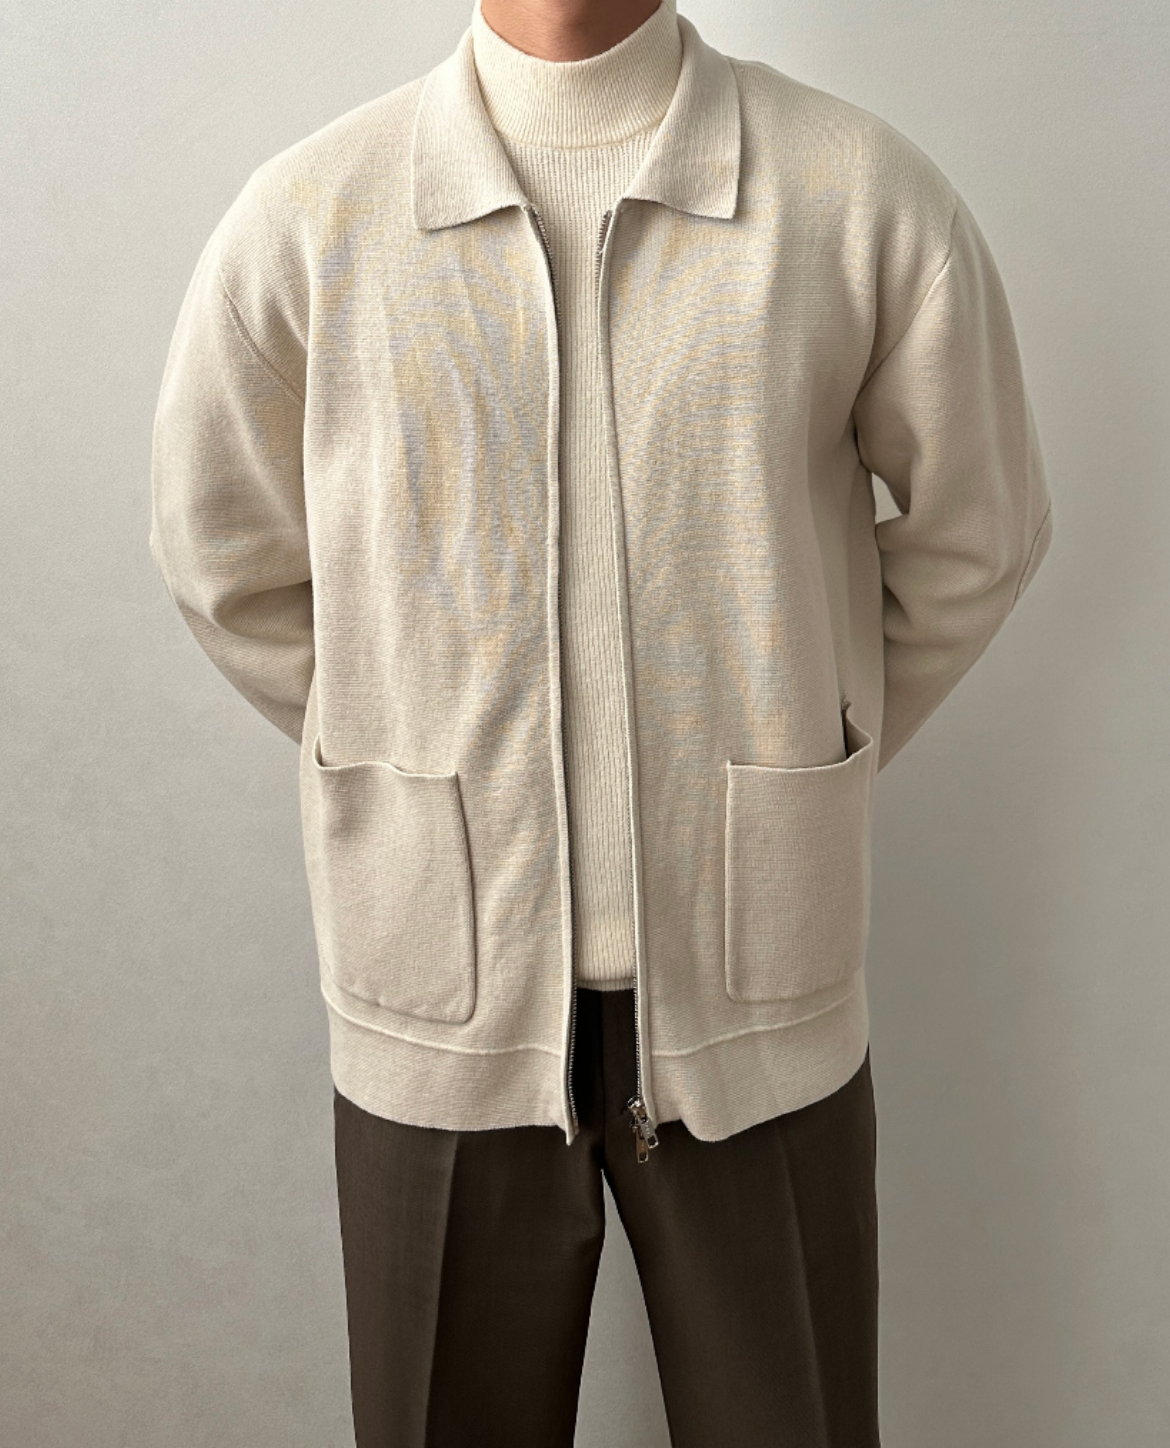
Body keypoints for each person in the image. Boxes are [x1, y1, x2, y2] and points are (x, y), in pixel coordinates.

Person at [148, 0, 1054, 1442]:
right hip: (436, 995)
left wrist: (810, 740)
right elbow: (225, 560)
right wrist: (395, 748)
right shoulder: (311, 221)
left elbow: (976, 531)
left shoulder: (856, 196)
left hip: (761, 991)